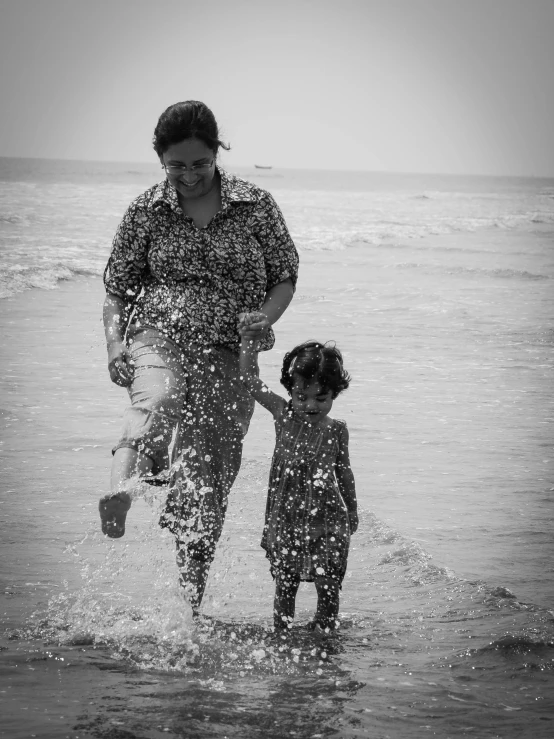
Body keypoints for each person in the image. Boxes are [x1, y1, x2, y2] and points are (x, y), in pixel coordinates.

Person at [98, 100, 299, 614]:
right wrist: (116, 345)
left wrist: (266, 318)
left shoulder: (255, 206)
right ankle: (119, 492)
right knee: (156, 402)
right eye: (176, 165)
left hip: (232, 350)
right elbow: (118, 290)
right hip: (158, 333)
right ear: (160, 160)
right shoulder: (145, 211)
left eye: (199, 164)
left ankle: (191, 606)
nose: (188, 175)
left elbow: (284, 274)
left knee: (206, 478)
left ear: (217, 152)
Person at [238, 327, 358, 632]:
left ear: (335, 393)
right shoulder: (283, 414)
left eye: (321, 398)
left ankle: (325, 632)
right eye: (301, 396)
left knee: (328, 583)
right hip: (287, 518)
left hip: (329, 518)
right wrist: (249, 343)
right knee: (285, 583)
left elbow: (343, 472)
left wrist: (353, 510)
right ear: (290, 391)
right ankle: (282, 634)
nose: (310, 406)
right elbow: (251, 382)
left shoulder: (336, 430)